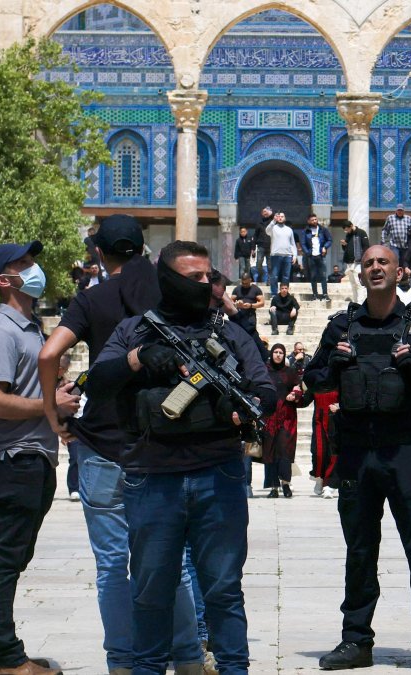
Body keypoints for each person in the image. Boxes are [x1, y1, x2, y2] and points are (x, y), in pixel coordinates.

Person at [87, 240, 277, 674]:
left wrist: (245, 405)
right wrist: (139, 359)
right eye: (195, 278)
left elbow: (265, 388)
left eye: (209, 277)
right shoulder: (133, 331)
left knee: (225, 590)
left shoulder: (228, 332)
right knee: (152, 590)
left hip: (220, 475)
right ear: (168, 280)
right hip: (153, 478)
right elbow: (96, 384)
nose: (206, 285)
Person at [37, 215, 206, 675]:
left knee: (113, 564)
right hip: (161, 442)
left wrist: (53, 412)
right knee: (172, 559)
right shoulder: (170, 294)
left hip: (103, 443)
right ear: (144, 248)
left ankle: (124, 663)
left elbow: (49, 353)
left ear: (99, 252)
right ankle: (189, 657)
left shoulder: (92, 299)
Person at [304, 244, 411, 674]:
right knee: (360, 549)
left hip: (404, 450)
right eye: (368, 263)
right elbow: (313, 379)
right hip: (355, 454)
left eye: (382, 262)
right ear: (360, 273)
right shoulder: (341, 325)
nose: (374, 268)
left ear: (400, 271)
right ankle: (356, 641)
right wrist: (332, 367)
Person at [0, 239, 79, 675]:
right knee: (5, 559)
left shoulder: (30, 327)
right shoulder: (1, 331)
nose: (34, 268)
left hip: (34, 456)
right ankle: (5, 658)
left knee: (14, 557)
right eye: (23, 264)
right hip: (12, 460)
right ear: (4, 280)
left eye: (33, 260)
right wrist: (50, 406)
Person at [261, 343, 309, 498]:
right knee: (270, 451)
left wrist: (295, 395)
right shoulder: (264, 372)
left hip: (287, 418)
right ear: (271, 354)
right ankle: (273, 487)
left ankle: (286, 484)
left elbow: (299, 389)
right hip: (269, 418)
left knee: (285, 450)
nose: (278, 355)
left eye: (281, 352)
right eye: (275, 352)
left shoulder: (290, 372)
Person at [309, 390, 340, 499]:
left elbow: (349, 397)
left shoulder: (339, 380)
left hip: (335, 421)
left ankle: (329, 485)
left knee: (334, 454)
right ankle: (319, 478)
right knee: (318, 452)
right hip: (319, 421)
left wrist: (339, 406)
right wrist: (296, 395)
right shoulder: (316, 381)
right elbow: (305, 400)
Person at [300, 213, 333, 300]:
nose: (315, 221)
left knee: (323, 275)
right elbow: (303, 244)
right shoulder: (305, 231)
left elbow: (329, 240)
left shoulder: (323, 229)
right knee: (313, 276)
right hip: (311, 256)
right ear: (308, 221)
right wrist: (308, 253)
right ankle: (315, 294)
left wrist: (325, 247)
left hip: (321, 256)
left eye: (315, 219)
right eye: (312, 220)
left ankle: (325, 294)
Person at [266, 212, 297, 296]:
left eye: (282, 216)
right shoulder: (273, 228)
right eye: (278, 216)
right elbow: (267, 231)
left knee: (286, 276)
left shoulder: (289, 230)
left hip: (287, 256)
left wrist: (294, 255)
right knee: (274, 276)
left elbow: (292, 243)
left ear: (285, 218)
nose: (280, 218)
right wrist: (273, 221)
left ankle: (284, 293)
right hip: (276, 255)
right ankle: (274, 294)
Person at [340, 221, 371, 304]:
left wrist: (363, 260)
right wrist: (344, 245)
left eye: (347, 229)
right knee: (353, 284)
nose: (347, 231)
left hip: (358, 263)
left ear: (351, 226)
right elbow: (346, 249)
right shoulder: (348, 235)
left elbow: (366, 247)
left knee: (359, 283)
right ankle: (355, 302)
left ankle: (360, 303)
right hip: (349, 263)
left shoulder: (361, 233)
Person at [254, 207, 273, 284]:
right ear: (262, 213)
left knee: (270, 265)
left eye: (267, 211)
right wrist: (252, 248)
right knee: (258, 263)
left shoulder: (272, 223)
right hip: (261, 246)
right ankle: (260, 276)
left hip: (270, 246)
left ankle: (269, 280)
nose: (265, 213)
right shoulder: (259, 223)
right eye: (264, 211)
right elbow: (255, 236)